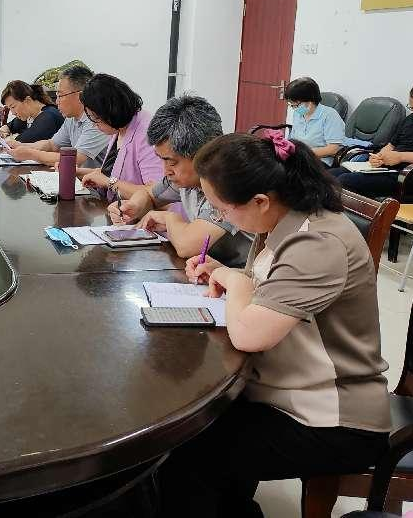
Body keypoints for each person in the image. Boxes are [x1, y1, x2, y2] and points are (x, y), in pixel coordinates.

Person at [158, 130, 390, 517]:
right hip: (287, 391)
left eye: (222, 209)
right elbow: (268, 287)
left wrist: (235, 281)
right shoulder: (281, 222)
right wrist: (226, 272)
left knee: (190, 458)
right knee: (190, 432)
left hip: (334, 416)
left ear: (260, 201)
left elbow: (250, 335)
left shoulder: (318, 242)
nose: (220, 218)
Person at [110, 94, 241, 260]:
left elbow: (187, 246)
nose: (166, 171)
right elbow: (149, 194)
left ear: (204, 154)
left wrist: (170, 219)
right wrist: (134, 206)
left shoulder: (230, 181)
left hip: (240, 273)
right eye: (162, 160)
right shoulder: (185, 180)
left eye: (171, 162)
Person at [77, 74, 162, 201]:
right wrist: (79, 172)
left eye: (95, 118)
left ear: (111, 111)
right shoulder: (119, 128)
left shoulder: (147, 134)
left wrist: (108, 183)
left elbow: (157, 194)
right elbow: (115, 172)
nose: (94, 125)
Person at [7, 64, 110, 168]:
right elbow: (52, 145)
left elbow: (76, 159)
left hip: (94, 178)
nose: (56, 102)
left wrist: (31, 154)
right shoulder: (71, 118)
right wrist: (21, 146)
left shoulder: (96, 120)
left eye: (60, 96)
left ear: (80, 96)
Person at [329, 85, 413, 197]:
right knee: (329, 175)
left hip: (406, 175)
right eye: (412, 108)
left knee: (345, 180)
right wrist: (378, 157)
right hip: (386, 168)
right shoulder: (410, 119)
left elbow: (398, 155)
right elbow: (391, 146)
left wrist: (401, 157)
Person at [284, 77, 346, 166]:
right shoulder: (298, 114)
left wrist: (304, 154)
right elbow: (294, 140)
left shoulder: (329, 115)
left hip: (319, 162)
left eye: (296, 105)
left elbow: (333, 149)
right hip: (299, 158)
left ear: (310, 100)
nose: (294, 108)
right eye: (292, 105)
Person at [0, 80, 64, 143]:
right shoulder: (27, 117)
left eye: (13, 107)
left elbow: (21, 142)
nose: (13, 113)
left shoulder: (49, 116)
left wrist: (8, 137)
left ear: (27, 100)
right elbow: (8, 127)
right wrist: (1, 132)